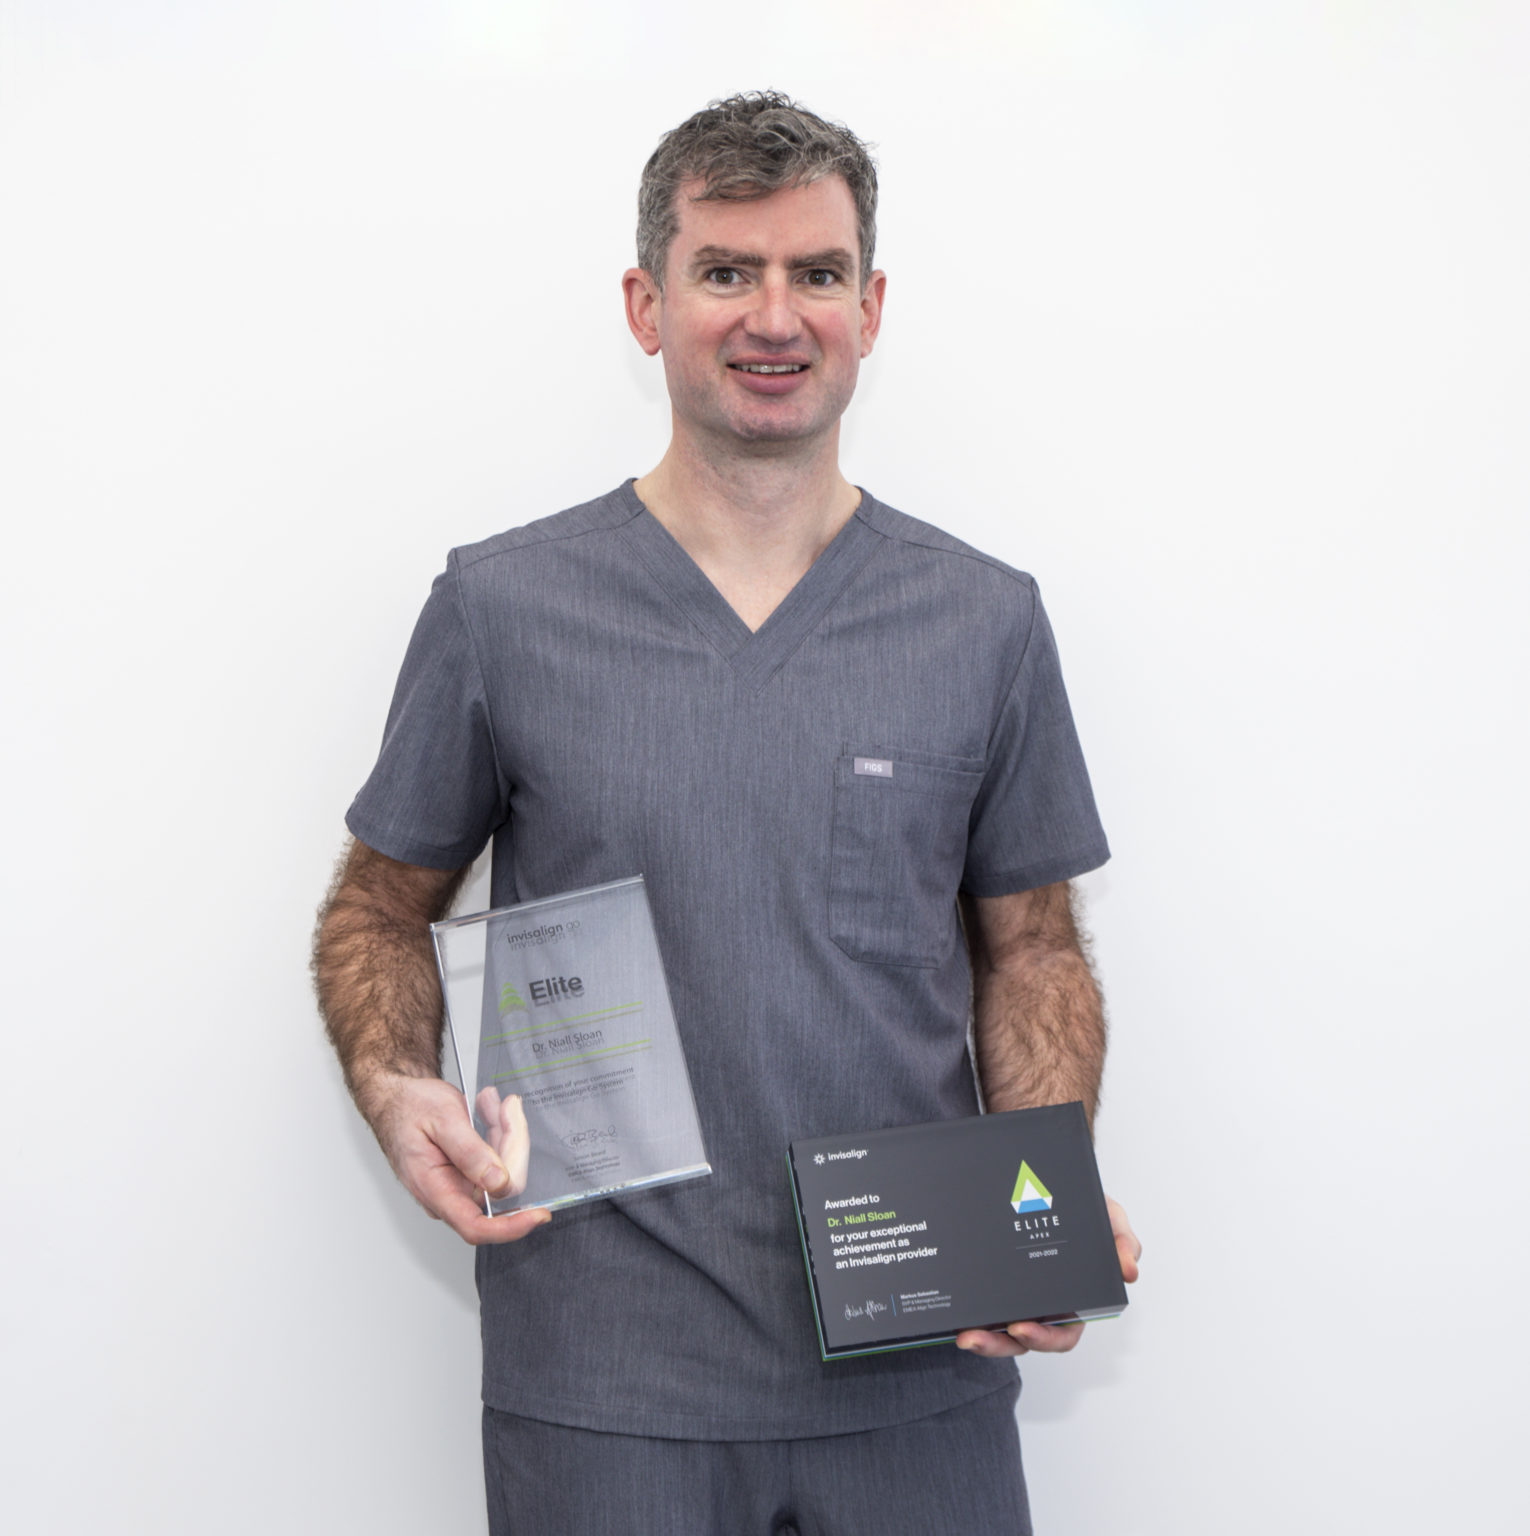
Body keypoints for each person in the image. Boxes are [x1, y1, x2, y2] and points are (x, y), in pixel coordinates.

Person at [314, 91, 1140, 1535]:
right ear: (648, 307)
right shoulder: (505, 609)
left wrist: (1041, 1212)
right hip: (606, 1380)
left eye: (816, 272)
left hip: (917, 1364)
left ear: (869, 309)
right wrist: (397, 1086)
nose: (774, 315)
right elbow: (378, 908)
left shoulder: (982, 622)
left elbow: (1033, 951)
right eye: (725, 271)